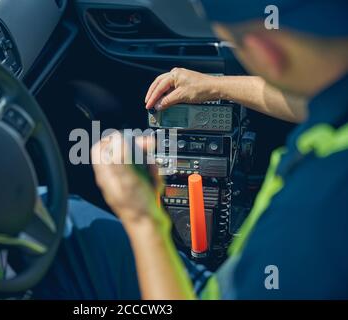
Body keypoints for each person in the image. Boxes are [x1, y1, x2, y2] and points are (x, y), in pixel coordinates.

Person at [35, 0, 348, 299]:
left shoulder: (315, 214)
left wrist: (142, 217)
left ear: (266, 53)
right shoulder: (332, 98)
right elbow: (307, 99)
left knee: (50, 229)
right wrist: (215, 86)